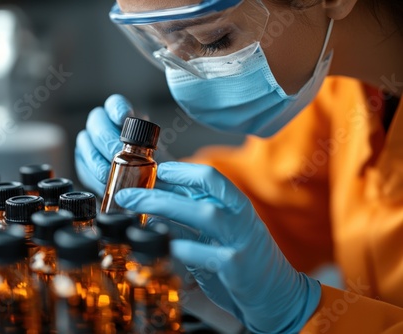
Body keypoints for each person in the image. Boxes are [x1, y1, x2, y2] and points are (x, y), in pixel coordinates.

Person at [75, 0, 403, 332]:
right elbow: (278, 200)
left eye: (212, 40)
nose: (180, 81)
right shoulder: (345, 90)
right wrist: (170, 198)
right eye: (160, 43)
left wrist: (302, 313)